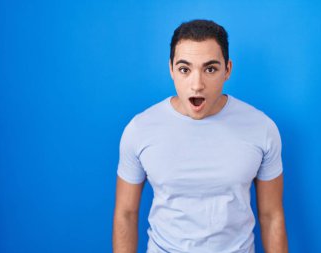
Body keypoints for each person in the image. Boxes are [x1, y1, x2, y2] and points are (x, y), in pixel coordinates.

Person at [112, 19, 288, 253]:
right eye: (185, 69)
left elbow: (271, 215)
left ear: (227, 70)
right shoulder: (140, 129)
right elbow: (126, 213)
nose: (197, 85)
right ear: (171, 69)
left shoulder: (262, 128)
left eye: (210, 69)